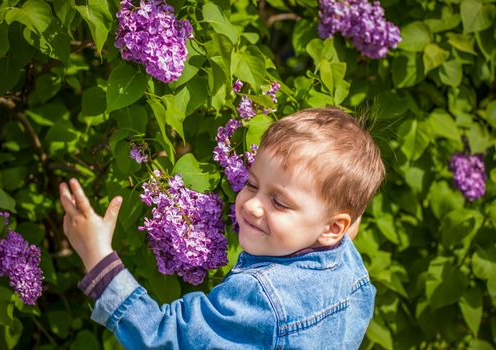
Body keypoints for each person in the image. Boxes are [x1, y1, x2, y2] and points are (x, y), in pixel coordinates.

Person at [59, 107, 385, 349]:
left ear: (332, 227)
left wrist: (98, 257)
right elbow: (348, 228)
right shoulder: (346, 258)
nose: (253, 205)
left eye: (280, 203)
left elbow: (166, 338)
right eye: (252, 184)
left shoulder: (259, 298)